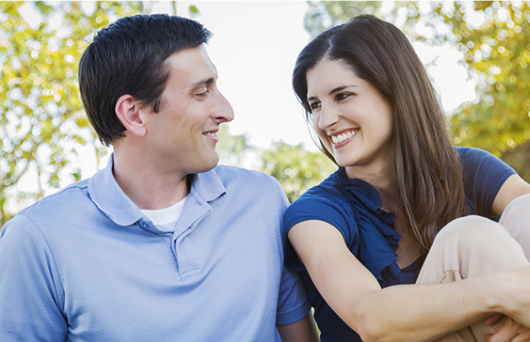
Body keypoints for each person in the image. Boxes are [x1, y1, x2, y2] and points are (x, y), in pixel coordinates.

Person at [0, 14, 319, 341]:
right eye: (201, 92)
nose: (226, 110)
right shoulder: (36, 240)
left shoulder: (261, 200)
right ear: (133, 114)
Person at [284, 14, 530, 342]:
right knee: (470, 236)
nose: (325, 120)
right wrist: (506, 290)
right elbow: (370, 318)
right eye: (315, 105)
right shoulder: (313, 215)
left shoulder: (469, 167)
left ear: (394, 91)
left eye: (343, 95)